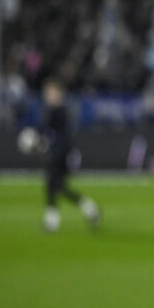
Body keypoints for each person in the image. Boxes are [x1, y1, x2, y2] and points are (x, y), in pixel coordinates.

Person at [40, 77, 100, 232]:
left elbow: (53, 134)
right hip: (59, 151)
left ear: (58, 93)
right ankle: (87, 208)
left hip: (61, 153)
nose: (47, 96)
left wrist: (47, 147)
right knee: (54, 185)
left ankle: (56, 219)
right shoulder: (59, 111)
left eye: (50, 92)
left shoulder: (59, 111)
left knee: (55, 184)